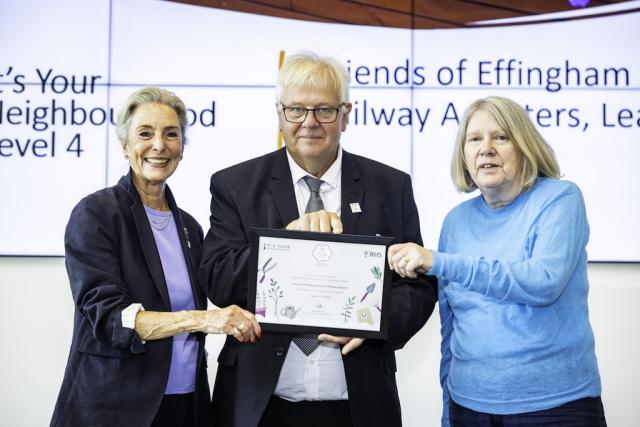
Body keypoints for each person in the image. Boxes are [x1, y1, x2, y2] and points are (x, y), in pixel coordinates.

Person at [199, 52, 438, 427]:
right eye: (296, 110)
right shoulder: (235, 184)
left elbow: (418, 287)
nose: (309, 122)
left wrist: (372, 322)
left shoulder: (390, 187)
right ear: (279, 114)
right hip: (260, 404)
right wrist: (287, 242)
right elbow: (217, 276)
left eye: (324, 110)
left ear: (346, 114)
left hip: (358, 404)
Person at [388, 96, 606, 426]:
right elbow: (451, 327)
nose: (485, 148)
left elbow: (543, 282)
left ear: (524, 146)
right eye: (474, 139)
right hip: (469, 406)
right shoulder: (456, 221)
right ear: (463, 154)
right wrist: (448, 411)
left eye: (500, 137)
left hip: (555, 407)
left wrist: (438, 261)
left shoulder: (561, 198)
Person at [50, 87, 260, 427]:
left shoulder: (189, 227)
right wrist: (203, 320)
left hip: (186, 405)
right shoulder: (97, 214)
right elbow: (112, 317)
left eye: (171, 134)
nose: (159, 145)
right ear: (125, 146)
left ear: (181, 148)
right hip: (120, 408)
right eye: (145, 134)